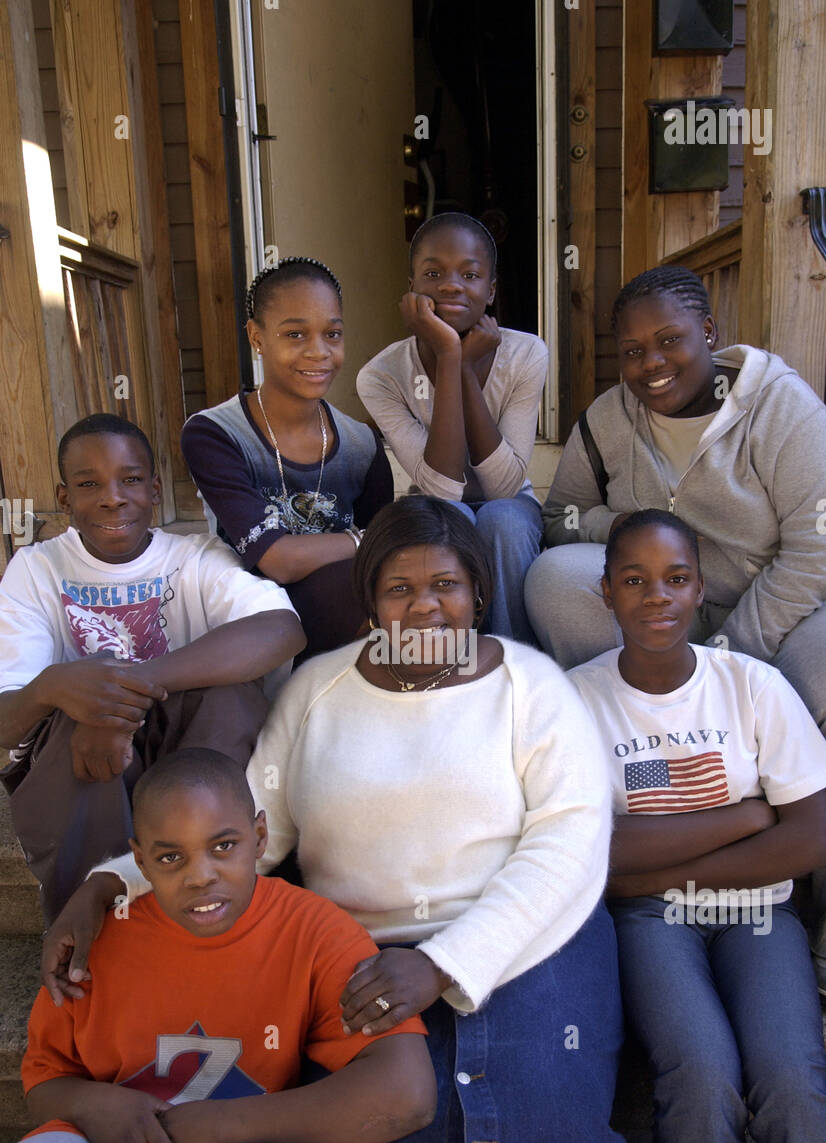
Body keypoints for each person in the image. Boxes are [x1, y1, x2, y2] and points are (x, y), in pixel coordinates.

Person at [46, 497, 654, 1143]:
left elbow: (569, 846)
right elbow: (249, 831)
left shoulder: (530, 687)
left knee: (543, 1105)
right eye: (399, 588)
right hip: (356, 951)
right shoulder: (316, 690)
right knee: (377, 1141)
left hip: (527, 940)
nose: (426, 605)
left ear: (477, 591)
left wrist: (441, 964)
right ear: (370, 601)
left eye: (447, 584)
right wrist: (108, 883)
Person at [524, 265, 826, 1005]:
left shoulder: (779, 409)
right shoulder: (608, 418)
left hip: (780, 605)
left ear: (708, 333)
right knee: (554, 578)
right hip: (662, 602)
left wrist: (730, 658)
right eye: (631, 351)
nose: (650, 364)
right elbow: (562, 519)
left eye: (669, 340)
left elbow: (821, 547)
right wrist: (642, 538)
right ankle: (632, 777)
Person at [0, 749, 433, 1143]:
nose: (201, 876)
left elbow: (407, 1094)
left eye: (223, 847)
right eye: (171, 858)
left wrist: (221, 1125)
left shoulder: (313, 930)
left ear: (259, 835)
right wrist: (94, 1105)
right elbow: (44, 1079)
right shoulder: (97, 938)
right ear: (139, 859)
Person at [567, 509, 826, 1143]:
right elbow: (587, 859)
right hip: (650, 922)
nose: (656, 596)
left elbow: (809, 845)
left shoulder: (749, 685)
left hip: (757, 917)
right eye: (633, 579)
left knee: (793, 1078)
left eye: (676, 578)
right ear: (606, 593)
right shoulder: (577, 702)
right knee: (698, 1073)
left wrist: (649, 864)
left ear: (699, 590)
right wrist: (745, 817)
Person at [0, 413, 304, 925]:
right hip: (82, 765)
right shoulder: (36, 568)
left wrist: (118, 695)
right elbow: (7, 720)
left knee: (230, 698)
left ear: (156, 489)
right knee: (71, 715)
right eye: (88, 484)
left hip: (176, 748)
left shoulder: (194, 556)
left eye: (131, 479)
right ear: (64, 495)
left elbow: (281, 629)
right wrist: (60, 688)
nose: (112, 497)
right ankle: (99, 924)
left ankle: (203, 895)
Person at [180, 256, 393, 659]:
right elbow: (275, 560)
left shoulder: (362, 444)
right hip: (250, 608)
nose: (319, 352)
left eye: (332, 334)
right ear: (256, 338)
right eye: (295, 334)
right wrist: (363, 540)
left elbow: (384, 555)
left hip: (344, 607)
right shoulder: (215, 434)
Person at [356, 212, 548, 643]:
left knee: (504, 521)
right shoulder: (380, 376)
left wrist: (459, 371)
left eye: (471, 274)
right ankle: (450, 660)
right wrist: (450, 355)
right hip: (434, 505)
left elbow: (502, 487)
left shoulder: (526, 354)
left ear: (491, 290)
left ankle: (512, 660)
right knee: (454, 517)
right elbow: (443, 492)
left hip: (513, 505)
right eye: (433, 273)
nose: (451, 284)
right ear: (411, 288)